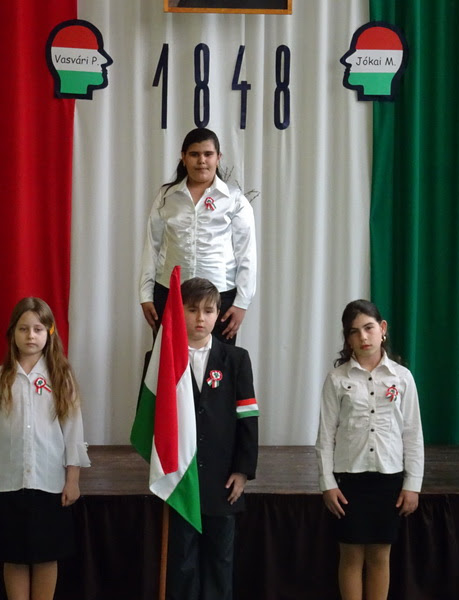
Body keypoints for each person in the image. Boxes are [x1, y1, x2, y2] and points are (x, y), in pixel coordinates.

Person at [0, 297, 90, 600]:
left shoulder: (61, 377)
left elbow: (73, 433)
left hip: (49, 483)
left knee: (46, 556)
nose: (30, 336)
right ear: (13, 333)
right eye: (23, 329)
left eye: (37, 329)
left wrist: (73, 480)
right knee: (14, 556)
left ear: (49, 332)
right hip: (9, 484)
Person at [315, 299, 424, 600]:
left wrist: (412, 484)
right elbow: (325, 436)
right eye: (354, 332)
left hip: (388, 478)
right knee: (350, 555)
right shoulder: (337, 379)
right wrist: (327, 483)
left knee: (380, 555)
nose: (363, 337)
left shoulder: (402, 377)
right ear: (347, 338)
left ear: (382, 329)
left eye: (369, 328)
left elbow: (413, 435)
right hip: (349, 480)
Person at [167, 277, 259, 600]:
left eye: (208, 311)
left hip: (223, 481)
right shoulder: (161, 359)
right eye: (192, 310)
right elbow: (150, 419)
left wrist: (242, 471)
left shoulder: (236, 359)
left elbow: (247, 419)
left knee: (220, 562)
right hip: (180, 481)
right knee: (182, 563)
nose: (200, 318)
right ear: (179, 312)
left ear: (219, 313)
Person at [139, 127, 257, 344]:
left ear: (218, 158)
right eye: (194, 154)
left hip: (219, 297)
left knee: (216, 363)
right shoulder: (166, 197)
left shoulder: (234, 200)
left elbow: (246, 254)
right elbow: (152, 247)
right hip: (171, 294)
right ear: (183, 158)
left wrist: (241, 303)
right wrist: (146, 295)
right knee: (171, 361)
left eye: (208, 154)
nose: (201, 161)